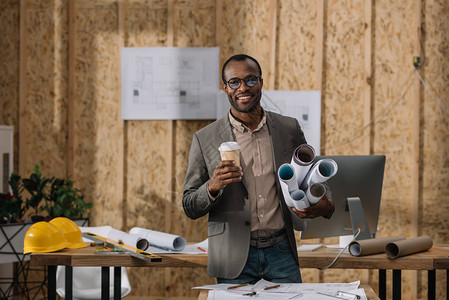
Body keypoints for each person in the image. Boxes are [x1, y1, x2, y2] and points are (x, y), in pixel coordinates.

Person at [182, 54, 335, 284]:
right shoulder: (205, 138)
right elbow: (189, 205)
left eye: (251, 79)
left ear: (261, 82)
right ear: (225, 88)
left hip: (281, 251)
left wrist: (324, 203)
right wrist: (212, 187)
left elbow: (311, 178)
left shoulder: (288, 128)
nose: (243, 87)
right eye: (234, 82)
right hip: (234, 255)